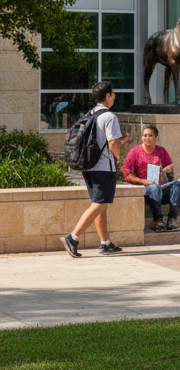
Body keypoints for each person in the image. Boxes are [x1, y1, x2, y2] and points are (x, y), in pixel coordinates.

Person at [61, 81, 131, 257]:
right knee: (100, 203)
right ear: (108, 95)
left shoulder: (91, 114)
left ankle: (105, 243)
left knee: (100, 204)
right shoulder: (109, 116)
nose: (114, 96)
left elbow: (102, 141)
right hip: (103, 168)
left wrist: (118, 143)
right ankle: (72, 237)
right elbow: (113, 143)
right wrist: (118, 156)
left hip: (89, 166)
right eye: (113, 93)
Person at [121, 124, 180, 232]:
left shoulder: (161, 151)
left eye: (150, 135)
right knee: (153, 188)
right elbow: (127, 175)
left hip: (161, 185)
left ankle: (172, 220)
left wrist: (167, 170)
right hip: (145, 189)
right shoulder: (135, 152)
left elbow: (169, 168)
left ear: (156, 137)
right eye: (144, 135)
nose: (147, 138)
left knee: (179, 185)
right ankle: (158, 220)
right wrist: (145, 181)